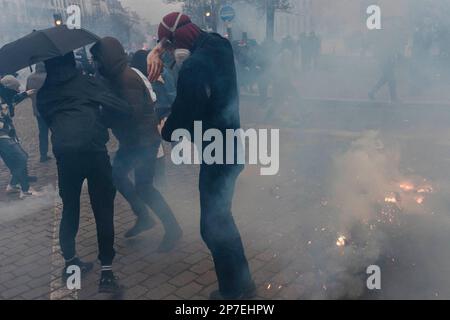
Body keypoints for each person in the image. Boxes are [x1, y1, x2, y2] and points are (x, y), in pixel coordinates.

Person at [148, 12, 255, 300]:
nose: (167, 52)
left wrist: (165, 128)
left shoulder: (193, 67)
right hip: (231, 146)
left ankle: (236, 291)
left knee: (213, 226)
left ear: (175, 43)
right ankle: (242, 285)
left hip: (217, 153)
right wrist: (160, 47)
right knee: (222, 219)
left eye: (168, 46)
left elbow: (185, 114)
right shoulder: (219, 45)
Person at [37, 52, 131, 294]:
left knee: (70, 208)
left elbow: (47, 120)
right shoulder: (87, 82)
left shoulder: (44, 92)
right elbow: (120, 106)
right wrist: (100, 118)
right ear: (71, 61)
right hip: (93, 152)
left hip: (66, 156)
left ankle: (70, 263)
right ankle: (107, 272)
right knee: (103, 209)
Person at [90, 37, 182, 252]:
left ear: (107, 58)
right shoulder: (115, 77)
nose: (95, 63)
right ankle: (143, 216)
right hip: (133, 141)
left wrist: (104, 113)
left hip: (143, 142)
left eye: (97, 59)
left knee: (145, 187)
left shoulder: (126, 78)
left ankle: (172, 228)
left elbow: (132, 113)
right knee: (119, 176)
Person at [0, 75, 38, 197]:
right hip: (2, 136)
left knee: (18, 160)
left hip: (7, 134)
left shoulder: (6, 96)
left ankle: (13, 185)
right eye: (14, 88)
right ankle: (25, 190)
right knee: (21, 158)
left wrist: (26, 93)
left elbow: (13, 99)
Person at [26, 62, 51, 163]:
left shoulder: (30, 77)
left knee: (43, 133)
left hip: (38, 109)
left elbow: (27, 92)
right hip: (50, 108)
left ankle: (43, 155)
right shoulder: (47, 75)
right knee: (56, 130)